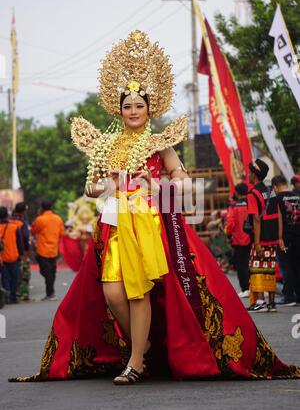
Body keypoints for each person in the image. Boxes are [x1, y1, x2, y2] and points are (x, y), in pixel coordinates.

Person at [9, 31, 300, 384]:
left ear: (150, 108)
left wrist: (155, 185)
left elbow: (182, 180)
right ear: (119, 109)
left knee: (138, 291)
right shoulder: (108, 145)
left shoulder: (159, 143)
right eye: (127, 106)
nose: (133, 111)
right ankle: (142, 346)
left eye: (139, 106)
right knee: (112, 292)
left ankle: (134, 362)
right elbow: (92, 186)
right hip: (115, 227)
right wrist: (105, 185)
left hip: (150, 225)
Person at [247, 159, 285, 313]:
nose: (248, 175)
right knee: (270, 268)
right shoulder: (271, 191)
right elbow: (279, 215)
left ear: (254, 175)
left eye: (250, 173)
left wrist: (257, 242)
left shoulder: (252, 193)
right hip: (273, 237)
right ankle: (271, 302)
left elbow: (256, 219)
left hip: (261, 238)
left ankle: (260, 301)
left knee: (258, 269)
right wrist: (280, 237)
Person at [272, 175, 300, 305]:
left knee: (285, 266)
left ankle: (288, 296)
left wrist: (279, 238)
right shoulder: (297, 195)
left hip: (285, 237)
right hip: (298, 236)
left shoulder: (276, 199)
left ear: (275, 187)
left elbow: (278, 219)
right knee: (297, 266)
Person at [31, 201, 64, 301]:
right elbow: (62, 233)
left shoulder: (40, 219)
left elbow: (33, 231)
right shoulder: (58, 219)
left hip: (43, 250)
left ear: (41, 208)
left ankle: (50, 293)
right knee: (51, 272)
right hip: (54, 249)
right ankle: (50, 292)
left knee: (46, 272)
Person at [226, 183, 251, 298]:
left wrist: (228, 235)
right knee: (253, 263)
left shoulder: (234, 206)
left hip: (238, 240)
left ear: (236, 192)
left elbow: (230, 223)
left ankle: (245, 288)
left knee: (241, 265)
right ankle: (256, 287)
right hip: (252, 238)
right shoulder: (251, 203)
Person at [0, 206, 24, 304]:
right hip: (13, 256)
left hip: (1, 258)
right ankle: (13, 297)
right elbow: (19, 243)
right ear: (7, 215)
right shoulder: (14, 227)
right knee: (15, 277)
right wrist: (21, 254)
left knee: (4, 278)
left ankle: (6, 297)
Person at [10, 202, 31, 301]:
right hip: (20, 251)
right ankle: (23, 295)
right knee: (24, 273)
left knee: (9, 275)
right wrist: (26, 251)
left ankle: (11, 294)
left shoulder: (9, 220)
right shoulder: (22, 222)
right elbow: (26, 237)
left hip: (8, 250)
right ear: (23, 211)